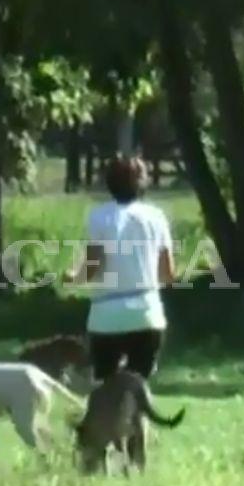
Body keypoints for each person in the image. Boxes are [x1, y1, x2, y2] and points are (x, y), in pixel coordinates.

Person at [68, 155, 175, 381]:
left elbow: (93, 266)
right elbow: (167, 274)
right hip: (147, 313)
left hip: (107, 316)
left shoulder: (100, 217)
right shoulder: (156, 217)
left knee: (106, 385)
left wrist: (73, 278)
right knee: (138, 386)